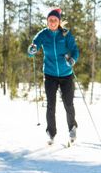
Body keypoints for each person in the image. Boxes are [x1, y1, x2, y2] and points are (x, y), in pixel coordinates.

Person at [28, 8, 80, 145]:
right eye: (50, 20)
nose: (52, 22)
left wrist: (72, 60)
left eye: (55, 20)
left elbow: (75, 50)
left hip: (66, 74)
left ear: (59, 21)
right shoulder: (43, 34)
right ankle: (51, 133)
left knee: (68, 104)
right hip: (50, 74)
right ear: (47, 21)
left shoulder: (65, 34)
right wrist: (32, 49)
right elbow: (33, 47)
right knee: (51, 105)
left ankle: (72, 128)